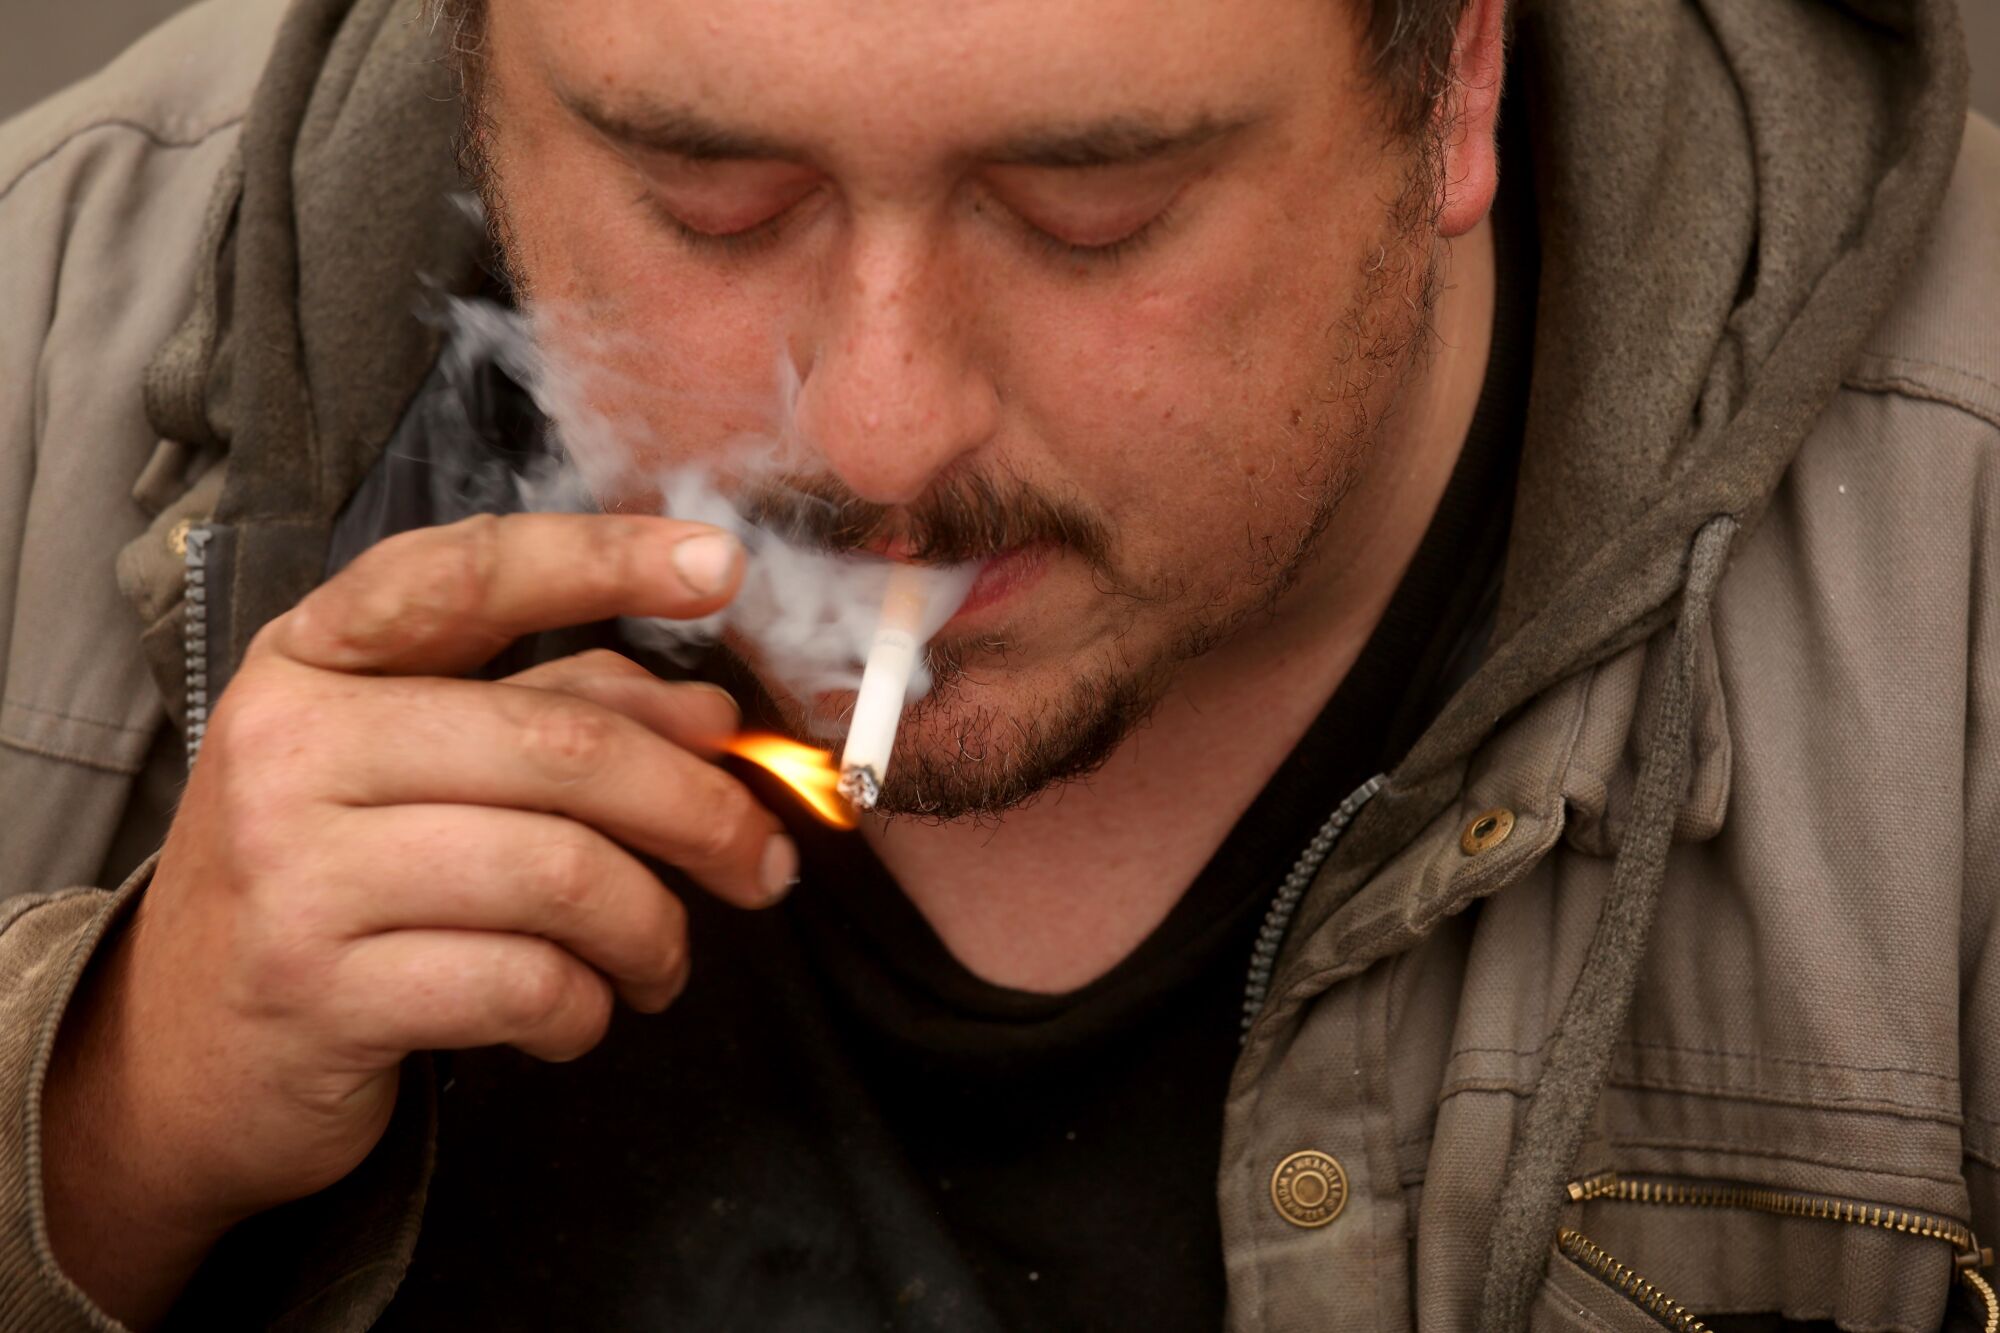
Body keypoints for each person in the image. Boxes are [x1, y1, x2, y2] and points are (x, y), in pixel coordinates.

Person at [2, 0, 1994, 1326]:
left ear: (1454, 77)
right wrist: (98, 1120)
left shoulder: (1955, 574)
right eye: (708, 196)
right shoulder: (45, 314)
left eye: (1089, 209)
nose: (878, 437)